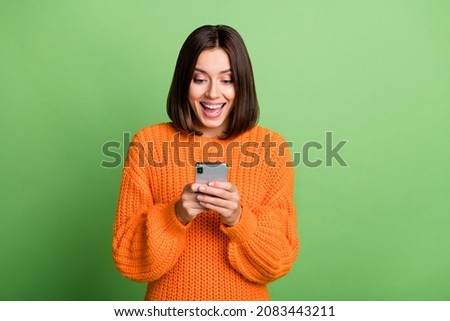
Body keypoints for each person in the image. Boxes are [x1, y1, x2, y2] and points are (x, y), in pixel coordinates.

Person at [112, 25, 299, 300]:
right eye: (199, 79)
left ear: (242, 84)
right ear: (183, 82)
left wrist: (238, 218)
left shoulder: (272, 148)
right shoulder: (148, 143)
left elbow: (279, 260)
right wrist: (176, 214)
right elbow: (127, 257)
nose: (213, 94)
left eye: (227, 80)